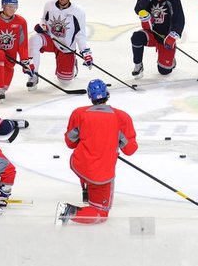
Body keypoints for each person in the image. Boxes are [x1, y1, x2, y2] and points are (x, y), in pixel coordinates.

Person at [58, 80, 138, 224]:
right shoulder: (121, 117)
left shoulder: (79, 113)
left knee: (89, 171)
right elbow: (130, 149)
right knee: (101, 213)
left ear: (90, 96)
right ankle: (69, 211)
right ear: (107, 94)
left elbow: (70, 142)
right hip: (100, 173)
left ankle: (87, 189)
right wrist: (119, 139)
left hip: (79, 164)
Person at [27, 0, 92, 88]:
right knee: (34, 39)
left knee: (64, 82)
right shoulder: (49, 5)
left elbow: (80, 34)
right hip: (50, 39)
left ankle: (73, 65)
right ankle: (33, 73)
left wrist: (85, 52)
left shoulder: (78, 11)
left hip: (66, 46)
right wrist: (42, 25)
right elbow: (44, 19)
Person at [131, 0, 185, 78]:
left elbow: (179, 19)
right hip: (151, 35)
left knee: (164, 71)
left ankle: (171, 59)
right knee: (136, 37)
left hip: (165, 39)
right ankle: (138, 65)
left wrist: (173, 35)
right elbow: (138, 9)